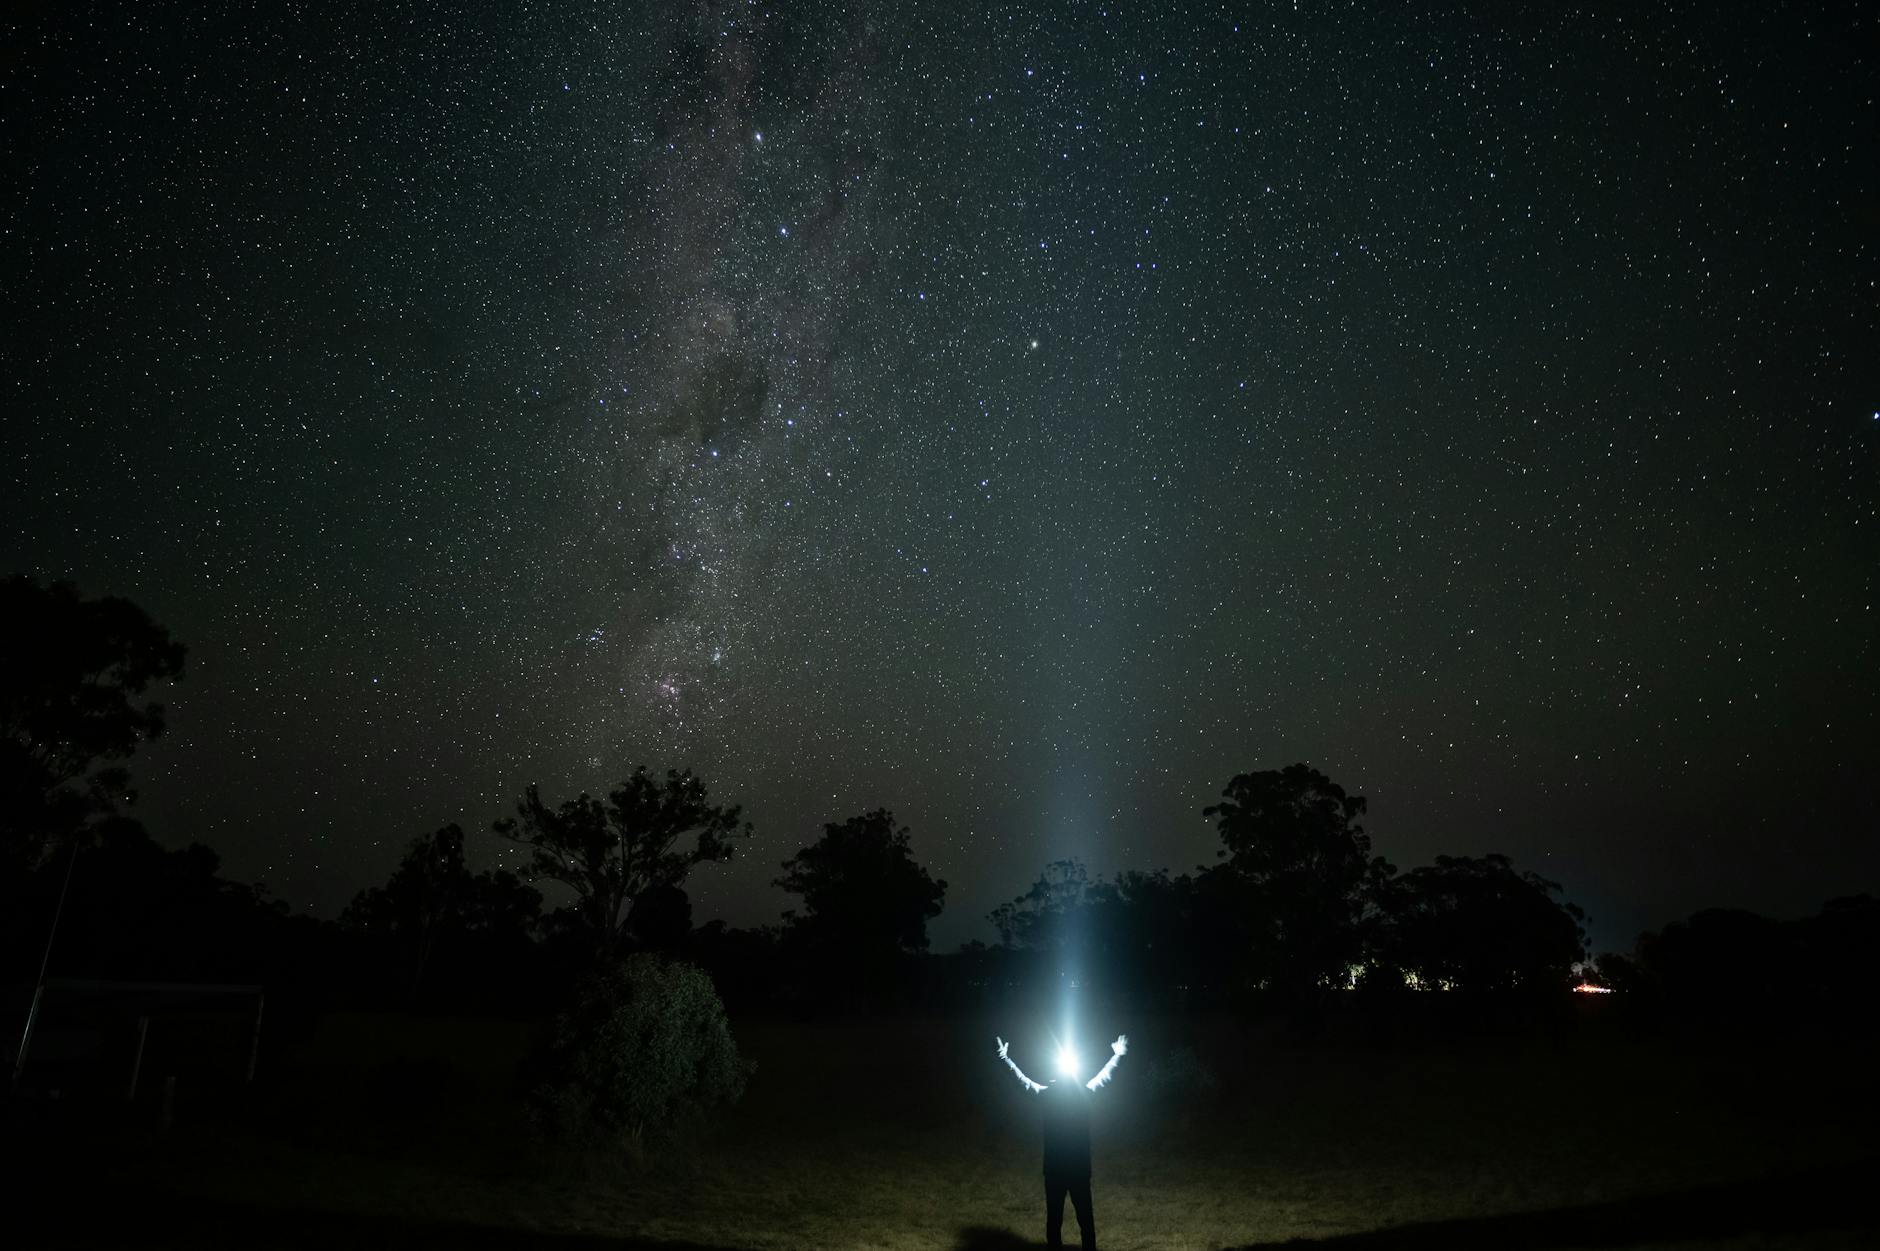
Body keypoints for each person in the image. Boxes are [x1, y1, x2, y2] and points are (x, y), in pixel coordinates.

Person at [994, 1032, 1128, 1251]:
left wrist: (1004, 1059)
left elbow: (1020, 1081)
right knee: (1084, 1220)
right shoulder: (1084, 1093)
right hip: (1078, 1169)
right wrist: (1118, 1056)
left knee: (1056, 1220)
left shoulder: (1049, 1095)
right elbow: (1106, 1076)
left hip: (1056, 1169)